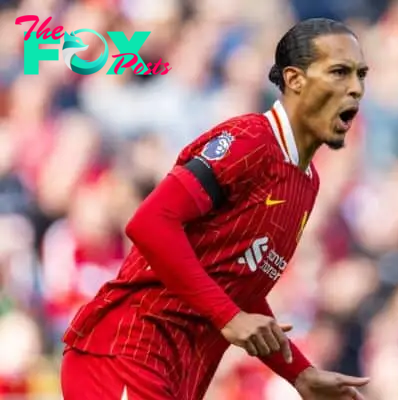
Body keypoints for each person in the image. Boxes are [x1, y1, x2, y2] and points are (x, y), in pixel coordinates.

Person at [60, 17, 370, 400]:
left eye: (360, 75)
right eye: (339, 72)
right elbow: (150, 222)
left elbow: (239, 285)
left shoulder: (306, 183)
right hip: (129, 349)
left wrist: (300, 373)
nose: (354, 89)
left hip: (179, 374)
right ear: (296, 80)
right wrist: (230, 318)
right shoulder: (250, 140)